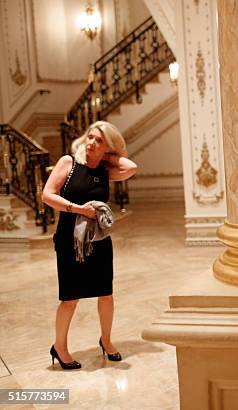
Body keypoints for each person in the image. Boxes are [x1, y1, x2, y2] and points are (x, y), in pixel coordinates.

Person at [42, 121, 137, 370]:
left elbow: (131, 166)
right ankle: (59, 347)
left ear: (108, 147)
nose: (92, 143)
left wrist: (109, 155)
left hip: (98, 238)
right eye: (91, 137)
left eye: (99, 140)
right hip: (69, 239)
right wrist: (78, 209)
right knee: (70, 297)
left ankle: (106, 340)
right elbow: (47, 194)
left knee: (105, 293)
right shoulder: (69, 163)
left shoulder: (105, 169)